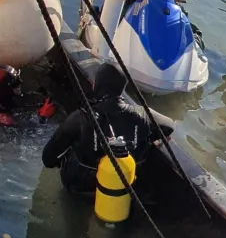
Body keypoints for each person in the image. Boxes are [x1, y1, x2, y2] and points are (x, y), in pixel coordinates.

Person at [41, 62, 163, 199]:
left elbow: (48, 159)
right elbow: (169, 127)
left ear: (95, 86)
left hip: (81, 189)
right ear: (122, 88)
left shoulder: (79, 118)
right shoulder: (142, 115)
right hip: (121, 188)